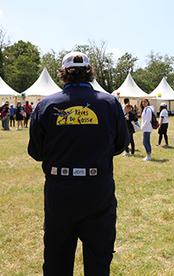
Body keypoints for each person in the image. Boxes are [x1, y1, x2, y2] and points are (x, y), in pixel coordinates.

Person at [28, 52, 129, 275]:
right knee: (99, 259)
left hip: (59, 190)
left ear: (63, 74)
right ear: (89, 72)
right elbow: (121, 144)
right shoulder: (109, 103)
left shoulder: (46, 105)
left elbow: (36, 151)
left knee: (56, 260)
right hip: (97, 191)